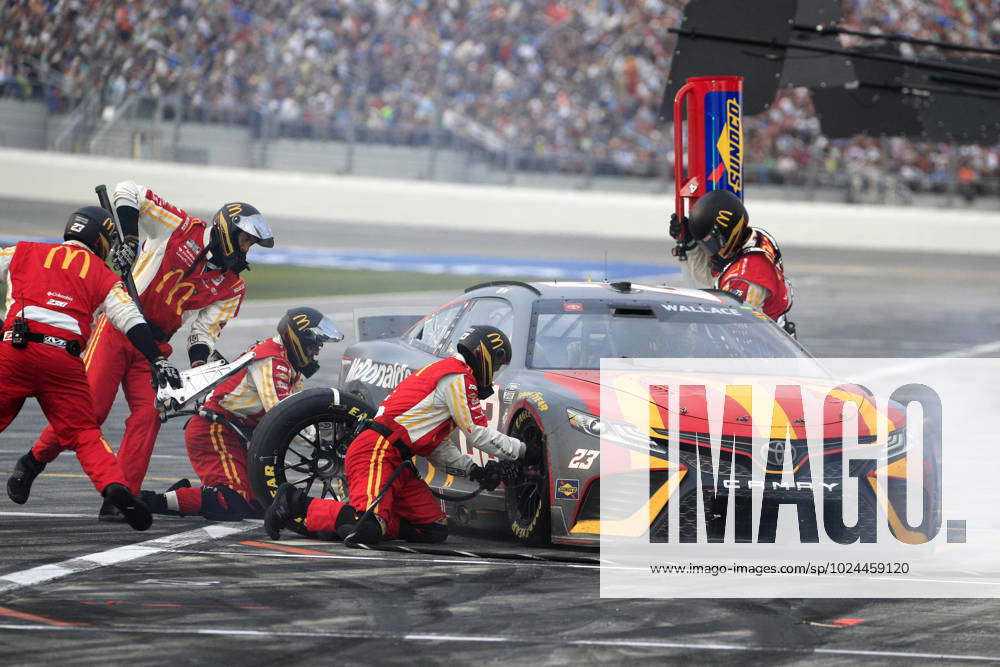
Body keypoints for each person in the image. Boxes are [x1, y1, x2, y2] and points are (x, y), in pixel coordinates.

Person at [20, 180, 274, 522]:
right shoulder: (179, 226)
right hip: (118, 327)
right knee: (90, 411)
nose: (247, 250)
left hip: (156, 349)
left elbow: (203, 333)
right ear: (228, 230)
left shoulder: (233, 286)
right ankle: (33, 461)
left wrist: (197, 371)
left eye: (251, 245)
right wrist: (129, 239)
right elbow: (127, 191)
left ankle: (119, 497)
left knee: (148, 416)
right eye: (246, 241)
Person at [264, 325, 536, 544]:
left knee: (432, 530)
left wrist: (474, 471)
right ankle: (296, 503)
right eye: (498, 365)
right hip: (377, 451)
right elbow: (477, 432)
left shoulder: (450, 375)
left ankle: (350, 522)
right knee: (365, 527)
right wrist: (525, 451)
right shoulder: (457, 377)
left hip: (396, 459)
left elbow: (437, 448)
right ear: (486, 354)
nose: (496, 373)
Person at [2, 206, 183, 530]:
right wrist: (156, 359)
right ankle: (115, 487)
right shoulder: (103, 275)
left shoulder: (24, 250)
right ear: (101, 240)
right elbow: (131, 321)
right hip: (63, 360)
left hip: (14, 349)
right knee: (85, 433)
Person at [139, 307, 343, 521]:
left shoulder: (285, 361)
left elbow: (300, 413)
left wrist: (327, 434)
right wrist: (326, 442)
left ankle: (183, 496)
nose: (316, 352)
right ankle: (150, 501)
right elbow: (284, 415)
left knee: (259, 505)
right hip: (212, 430)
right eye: (314, 345)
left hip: (232, 433)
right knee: (232, 501)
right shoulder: (272, 361)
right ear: (298, 339)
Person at [670, 190, 795, 334]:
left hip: (763, 348)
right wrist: (691, 244)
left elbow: (732, 332)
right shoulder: (757, 237)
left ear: (726, 233)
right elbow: (715, 276)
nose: (709, 250)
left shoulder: (744, 278)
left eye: (709, 243)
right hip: (774, 336)